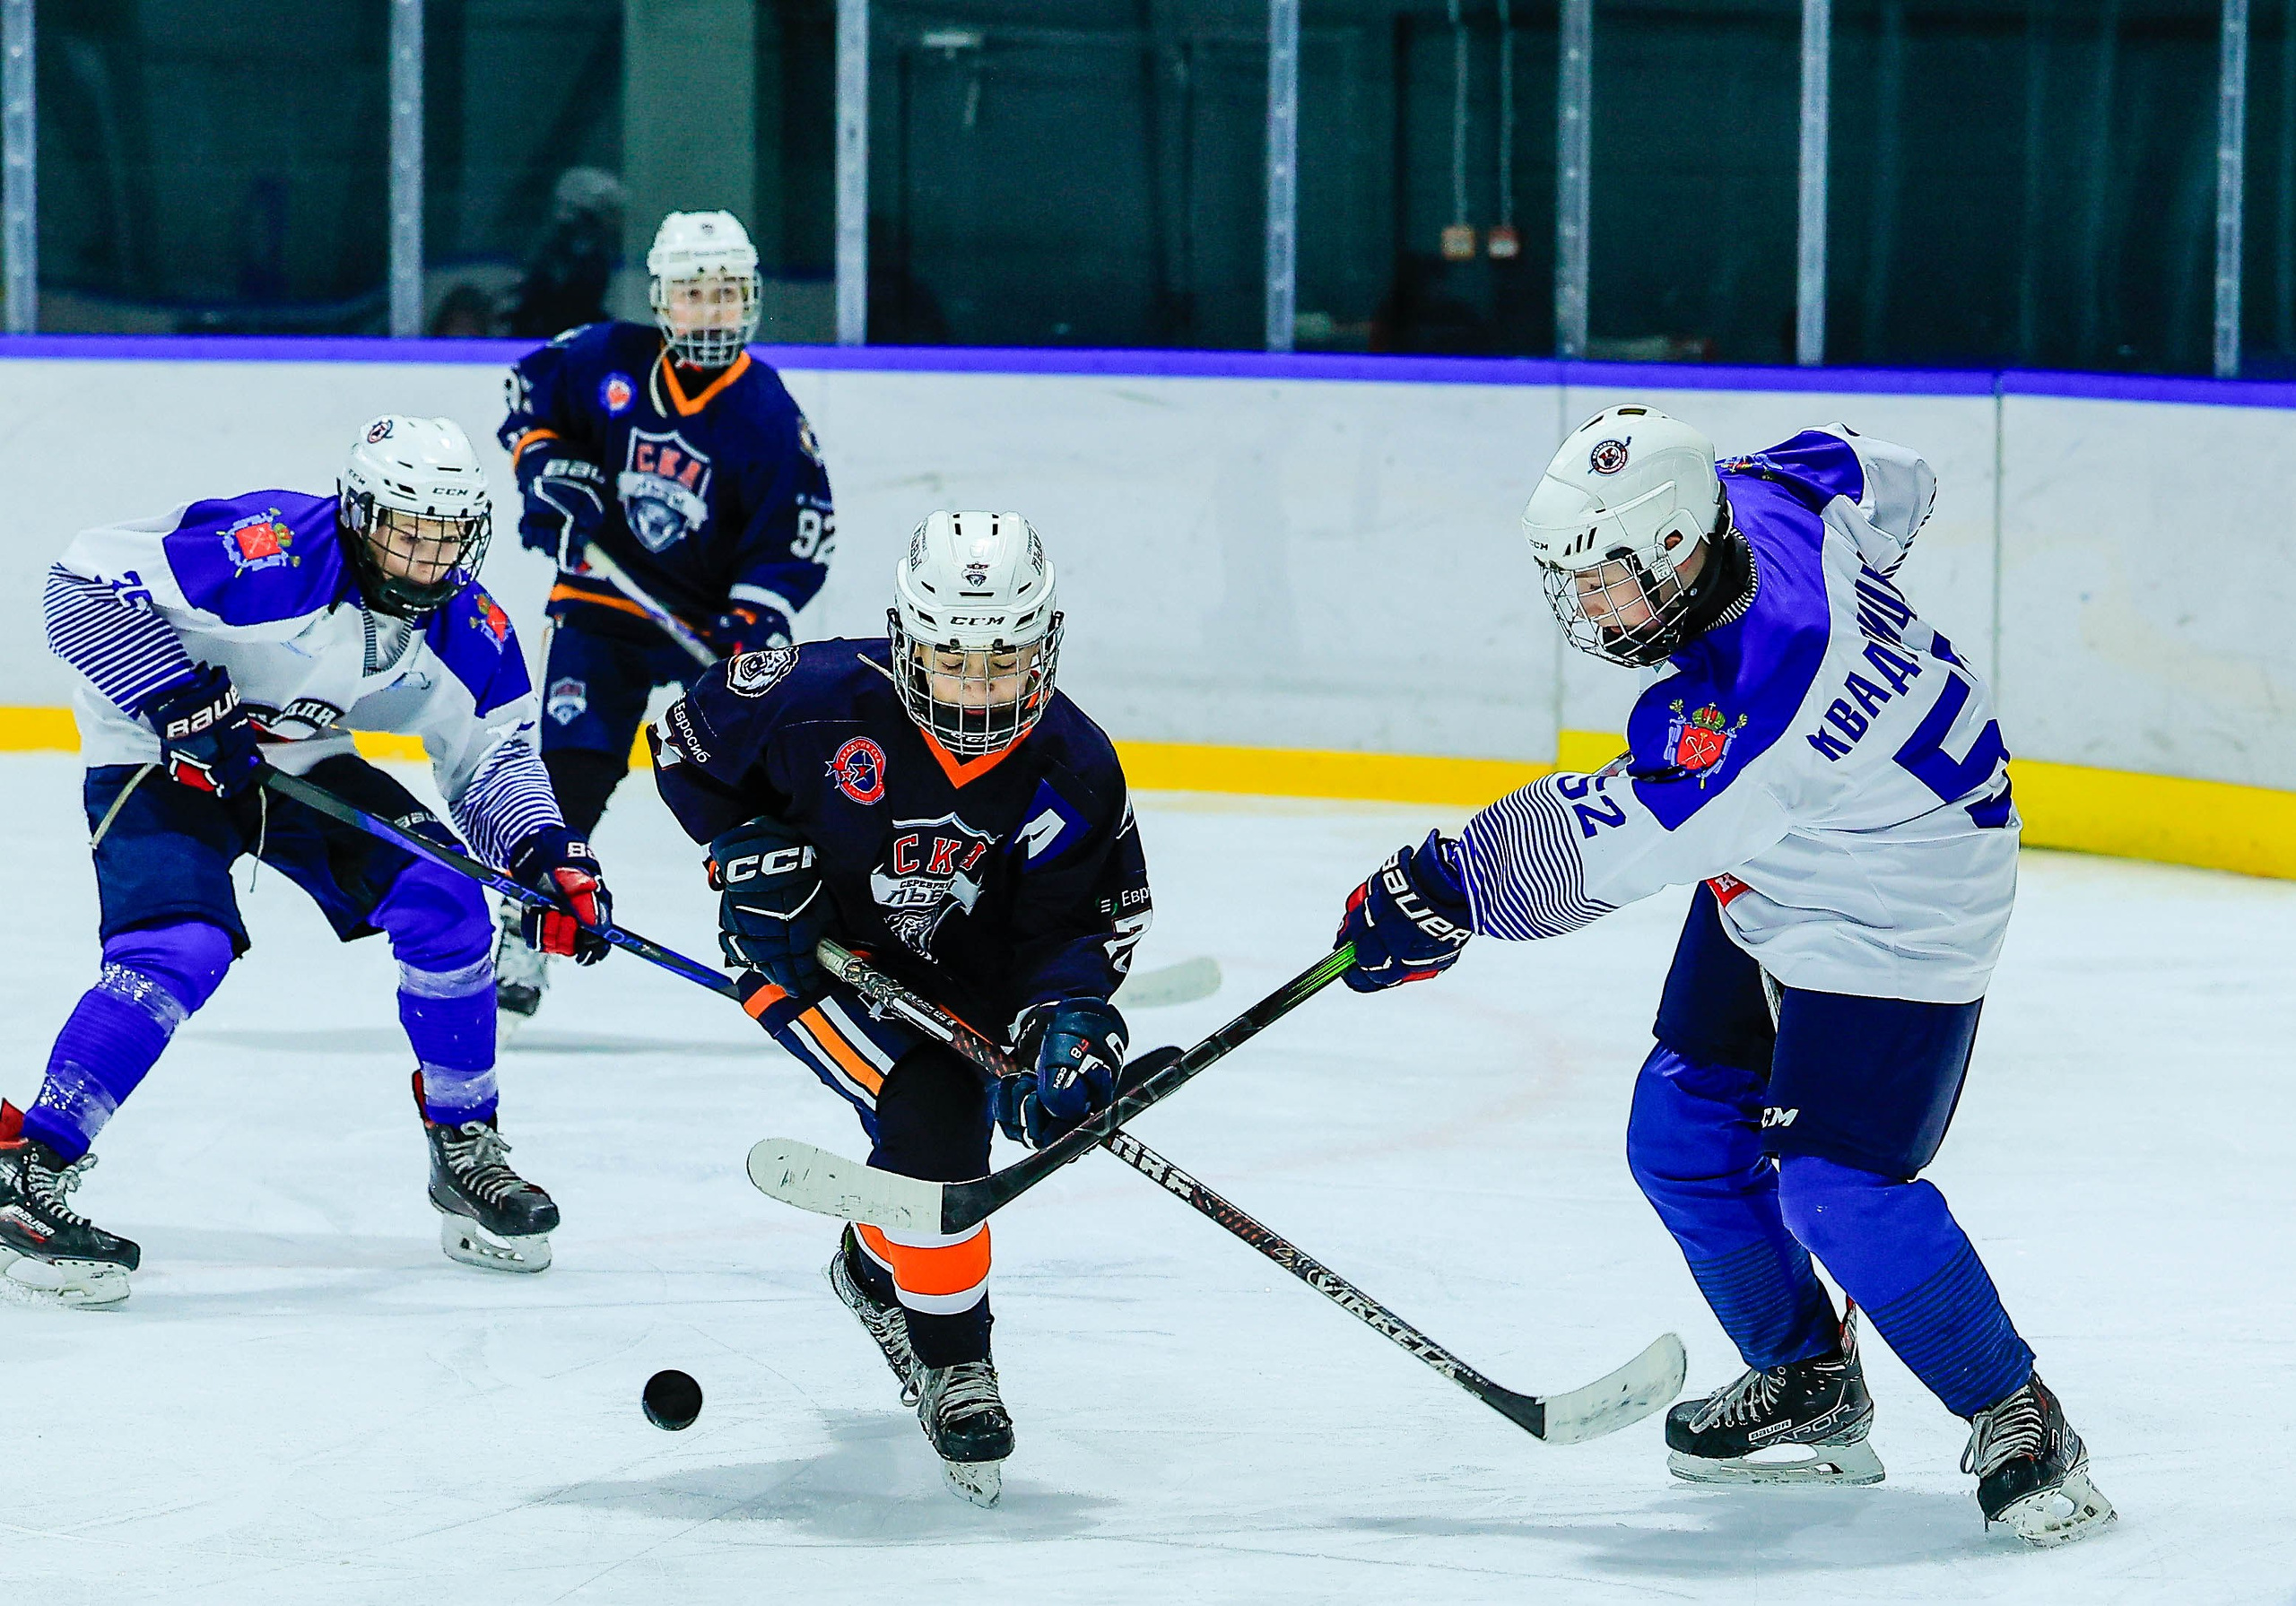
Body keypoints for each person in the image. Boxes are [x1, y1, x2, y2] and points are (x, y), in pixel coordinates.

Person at [1330, 408, 2114, 1548]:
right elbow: (1882, 474)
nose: (1583, 610)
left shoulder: (1756, 697)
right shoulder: (1754, 496)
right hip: (1792, 847)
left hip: (1901, 903)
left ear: (1669, 554)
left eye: (1600, 584)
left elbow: (1607, 842)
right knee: (1682, 1133)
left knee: (1836, 1190)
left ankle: (2018, 1412)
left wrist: (1438, 889)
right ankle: (1806, 1378)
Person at [0, 417, 613, 1306]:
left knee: (448, 906)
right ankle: (31, 1165)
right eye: (406, 531)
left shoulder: (464, 619)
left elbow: (491, 758)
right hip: (151, 748)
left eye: (445, 536)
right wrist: (177, 703)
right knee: (181, 949)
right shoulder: (271, 551)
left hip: (292, 752)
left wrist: (547, 855)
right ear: (360, 516)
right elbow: (79, 589)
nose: (426, 557)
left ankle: (464, 1148)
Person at [648, 511, 1152, 1506]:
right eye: (951, 662)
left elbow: (1071, 933)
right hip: (812, 958)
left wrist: (1067, 1029)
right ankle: (953, 1358)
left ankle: (878, 1268)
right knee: (935, 1120)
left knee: (969, 1123)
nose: (975, 691)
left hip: (964, 978)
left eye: (1003, 665)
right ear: (905, 640)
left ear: (1045, 647)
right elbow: (680, 747)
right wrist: (745, 853)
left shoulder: (1075, 769)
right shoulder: (811, 697)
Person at [493, 209, 835, 1029]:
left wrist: (756, 613)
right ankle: (527, 929)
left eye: (725, 293)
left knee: (757, 780)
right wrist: (544, 470)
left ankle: (797, 933)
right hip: (600, 603)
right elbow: (524, 394)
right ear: (661, 300)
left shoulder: (766, 411)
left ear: (748, 299)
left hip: (709, 622)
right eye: (693, 293)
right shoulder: (604, 358)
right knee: (570, 769)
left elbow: (803, 531)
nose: (710, 310)